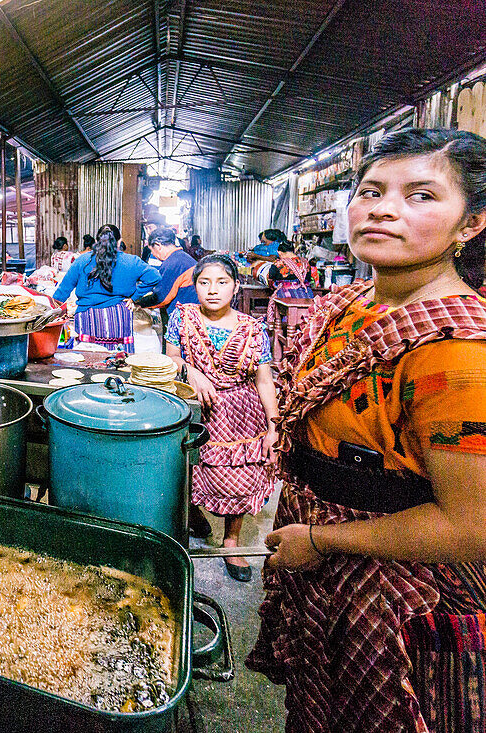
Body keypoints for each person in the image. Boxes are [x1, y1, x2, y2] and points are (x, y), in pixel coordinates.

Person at [249, 128, 486, 733]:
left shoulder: (457, 355)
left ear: (472, 224)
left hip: (397, 594)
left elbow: (470, 529)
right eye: (371, 190)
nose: (384, 207)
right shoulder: (358, 306)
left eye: (421, 195)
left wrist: (324, 542)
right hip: (328, 573)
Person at [166, 254, 278, 582]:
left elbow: (264, 378)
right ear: (194, 286)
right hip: (197, 407)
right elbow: (171, 357)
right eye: (204, 282)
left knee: (241, 478)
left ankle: (232, 540)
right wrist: (191, 371)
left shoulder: (253, 329)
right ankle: (192, 516)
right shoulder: (181, 317)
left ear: (235, 286)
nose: (212, 290)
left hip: (243, 413)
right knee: (188, 470)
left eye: (222, 282)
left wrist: (274, 426)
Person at [53, 224, 160, 349]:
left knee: (88, 362)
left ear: (97, 241)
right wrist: (134, 297)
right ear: (119, 241)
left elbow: (62, 292)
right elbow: (154, 277)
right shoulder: (132, 261)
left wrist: (53, 313)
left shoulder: (82, 260)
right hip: (119, 318)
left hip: (88, 318)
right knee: (119, 362)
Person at [138, 227, 199, 316]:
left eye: (152, 251)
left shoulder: (173, 263)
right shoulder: (183, 257)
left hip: (187, 316)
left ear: (158, 245)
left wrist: (138, 303)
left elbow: (161, 298)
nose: (153, 255)